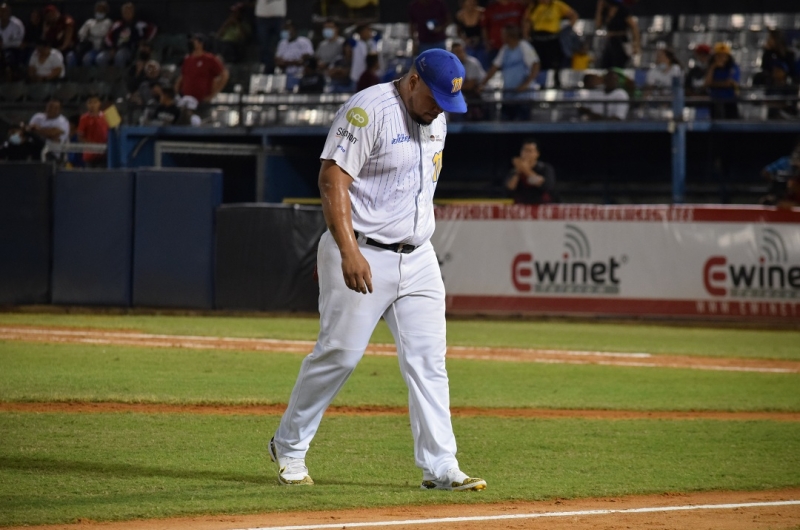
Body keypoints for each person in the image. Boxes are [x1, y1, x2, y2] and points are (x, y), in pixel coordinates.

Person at [268, 48, 487, 493]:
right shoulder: (370, 109)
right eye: (436, 98)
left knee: (428, 362)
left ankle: (441, 465)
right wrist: (348, 251)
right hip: (363, 250)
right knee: (340, 355)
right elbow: (332, 180)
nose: (441, 108)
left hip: (419, 257)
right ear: (413, 81)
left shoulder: (437, 118)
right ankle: (289, 446)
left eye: (449, 102)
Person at [478, 24, 540, 120]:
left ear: (509, 35)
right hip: (508, 95)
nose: (501, 36)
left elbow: (535, 65)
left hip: (523, 97)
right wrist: (482, 84)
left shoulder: (524, 46)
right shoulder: (505, 49)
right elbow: (494, 68)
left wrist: (526, 84)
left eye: (503, 34)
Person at [523, 0, 577, 88]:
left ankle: (557, 83)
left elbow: (573, 15)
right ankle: (540, 84)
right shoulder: (533, 6)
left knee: (556, 63)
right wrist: (526, 35)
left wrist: (567, 29)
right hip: (538, 39)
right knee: (538, 63)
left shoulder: (557, 5)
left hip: (552, 39)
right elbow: (527, 21)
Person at [175, 34, 229, 104]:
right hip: (186, 100)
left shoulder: (210, 59)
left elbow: (224, 75)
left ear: (201, 43)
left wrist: (213, 94)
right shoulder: (188, 59)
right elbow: (182, 76)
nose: (192, 43)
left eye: (195, 41)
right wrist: (176, 91)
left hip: (202, 101)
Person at [99, 2, 157, 68]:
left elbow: (153, 29)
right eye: (125, 12)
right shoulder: (118, 24)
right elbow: (108, 37)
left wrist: (145, 41)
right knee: (101, 58)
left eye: (129, 12)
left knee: (120, 56)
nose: (127, 14)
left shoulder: (139, 24)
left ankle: (120, 76)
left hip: (130, 49)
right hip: (115, 48)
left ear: (133, 12)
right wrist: (112, 48)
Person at [506, 138, 557, 204]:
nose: (526, 154)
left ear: (537, 154)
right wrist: (518, 172)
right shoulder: (514, 169)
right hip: (522, 206)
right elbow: (509, 189)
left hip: (542, 206)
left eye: (530, 151)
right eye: (524, 150)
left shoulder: (545, 168)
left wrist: (525, 170)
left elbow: (547, 186)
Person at [595, 0, 639, 69]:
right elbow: (598, 25)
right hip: (609, 42)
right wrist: (599, 9)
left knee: (618, 64)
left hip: (620, 42)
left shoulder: (622, 9)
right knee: (605, 64)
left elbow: (634, 27)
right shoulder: (605, 11)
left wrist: (635, 44)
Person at [482, 0, 526, 69]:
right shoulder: (490, 8)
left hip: (515, 46)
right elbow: (484, 27)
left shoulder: (518, 6)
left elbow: (524, 23)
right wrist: (486, 42)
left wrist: (524, 38)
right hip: (496, 47)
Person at [450, 39, 485, 119]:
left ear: (464, 51)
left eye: (460, 51)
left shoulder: (472, 63)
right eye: (455, 52)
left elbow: (470, 85)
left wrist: (453, 87)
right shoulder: (453, 66)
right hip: (469, 96)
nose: (457, 54)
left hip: (483, 95)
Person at [704, 42, 740, 120]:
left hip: (729, 101)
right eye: (719, 56)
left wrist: (713, 84)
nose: (721, 58)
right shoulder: (712, 67)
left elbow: (729, 83)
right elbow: (707, 83)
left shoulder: (733, 67)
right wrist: (713, 67)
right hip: (714, 100)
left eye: (724, 56)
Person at [275, 19, 313, 90]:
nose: (285, 31)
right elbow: (278, 61)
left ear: (295, 30)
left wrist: (286, 62)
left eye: (288, 28)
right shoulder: (282, 43)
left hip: (301, 74)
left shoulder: (304, 41)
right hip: (286, 75)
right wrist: (295, 62)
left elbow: (306, 59)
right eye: (284, 28)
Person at [75, 1, 113, 66]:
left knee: (100, 59)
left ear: (106, 11)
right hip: (90, 48)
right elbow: (81, 34)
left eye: (102, 10)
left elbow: (102, 32)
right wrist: (88, 34)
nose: (99, 11)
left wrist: (90, 33)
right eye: (98, 9)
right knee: (86, 58)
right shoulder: (89, 22)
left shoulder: (108, 22)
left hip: (102, 49)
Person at [76, 93, 109, 167]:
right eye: (90, 102)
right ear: (86, 105)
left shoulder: (107, 116)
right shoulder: (83, 118)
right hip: (90, 156)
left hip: (104, 154)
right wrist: (91, 146)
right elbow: (80, 137)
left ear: (99, 103)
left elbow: (115, 131)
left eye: (95, 102)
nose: (92, 105)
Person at [255, 0, 286, 74]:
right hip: (262, 16)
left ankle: (281, 67)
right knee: (264, 46)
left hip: (278, 15)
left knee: (281, 45)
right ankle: (266, 68)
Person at [349, 25, 377, 91]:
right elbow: (348, 33)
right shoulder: (355, 43)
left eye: (370, 31)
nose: (369, 33)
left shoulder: (372, 43)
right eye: (367, 31)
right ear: (361, 33)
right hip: (357, 77)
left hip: (369, 77)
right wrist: (357, 25)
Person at [0, 3, 25, 75]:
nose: (2, 14)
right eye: (1, 11)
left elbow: (20, 43)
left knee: (8, 56)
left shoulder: (17, 24)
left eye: (4, 11)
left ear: (9, 12)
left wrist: (3, 44)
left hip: (13, 50)